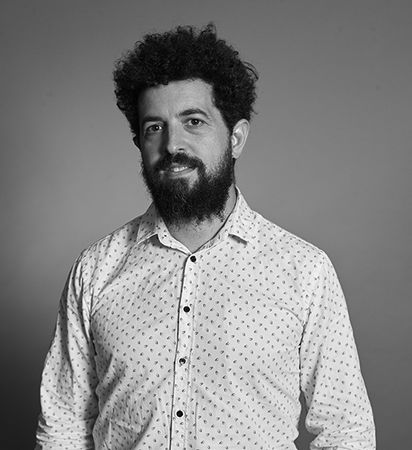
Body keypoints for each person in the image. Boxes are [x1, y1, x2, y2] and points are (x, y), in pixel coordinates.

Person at [35, 24, 375, 449]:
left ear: (236, 138)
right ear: (139, 142)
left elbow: (346, 430)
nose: (172, 144)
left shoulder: (304, 271)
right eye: (154, 127)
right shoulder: (95, 271)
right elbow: (63, 428)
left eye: (193, 122)